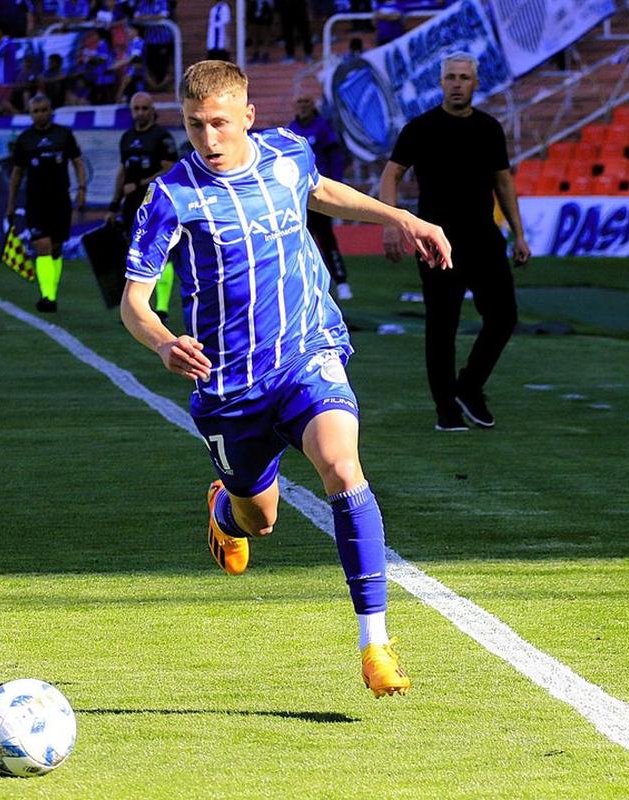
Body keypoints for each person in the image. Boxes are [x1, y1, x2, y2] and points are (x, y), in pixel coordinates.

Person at [120, 61, 451, 697]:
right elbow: (134, 301)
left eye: (219, 123)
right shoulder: (170, 197)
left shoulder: (287, 153)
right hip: (228, 387)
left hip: (306, 354)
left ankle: (375, 644)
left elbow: (320, 189)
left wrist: (399, 218)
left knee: (342, 469)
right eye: (195, 126)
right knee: (260, 519)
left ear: (247, 116)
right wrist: (164, 343)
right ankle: (227, 508)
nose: (208, 139)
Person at [380, 52, 530, 432]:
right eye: (451, 77)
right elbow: (391, 174)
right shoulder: (421, 128)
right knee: (442, 325)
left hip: (483, 236)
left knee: (504, 316)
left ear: (476, 83)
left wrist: (519, 233)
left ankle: (468, 386)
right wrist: (391, 223)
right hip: (436, 241)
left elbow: (504, 181)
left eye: (464, 77)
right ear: (441, 82)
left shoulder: (489, 129)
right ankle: (446, 409)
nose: (458, 83)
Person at [5, 94, 86, 313]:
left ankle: (52, 290)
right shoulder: (25, 139)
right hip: (36, 202)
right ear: (30, 114)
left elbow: (78, 162)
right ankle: (47, 296)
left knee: (56, 248)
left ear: (50, 110)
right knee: (42, 246)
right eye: (35, 111)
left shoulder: (63, 135)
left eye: (43, 110)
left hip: (60, 200)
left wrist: (81, 189)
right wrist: (11, 203)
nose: (40, 114)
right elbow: (17, 173)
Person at [106, 91, 177, 320]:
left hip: (157, 203)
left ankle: (163, 306)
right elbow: (122, 171)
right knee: (134, 255)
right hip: (131, 205)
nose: (140, 113)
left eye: (144, 108)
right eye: (136, 109)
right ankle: (136, 309)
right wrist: (114, 204)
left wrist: (139, 184)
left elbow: (169, 168)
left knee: (161, 254)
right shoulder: (127, 137)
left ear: (152, 110)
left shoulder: (162, 137)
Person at [288, 92, 351, 299]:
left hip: (320, 194)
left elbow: (335, 157)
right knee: (300, 242)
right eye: (300, 101)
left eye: (306, 100)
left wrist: (335, 183)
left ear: (313, 104)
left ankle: (341, 281)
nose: (303, 105)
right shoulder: (291, 130)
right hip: (299, 197)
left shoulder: (323, 127)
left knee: (327, 239)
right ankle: (304, 285)